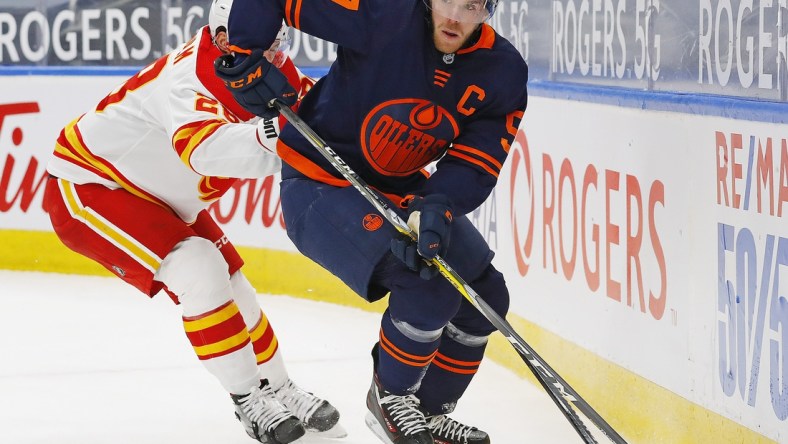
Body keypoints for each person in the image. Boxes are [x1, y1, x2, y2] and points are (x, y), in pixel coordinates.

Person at [215, 0, 528, 443]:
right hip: (318, 185)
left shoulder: (503, 71)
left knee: (485, 296)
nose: (456, 15)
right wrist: (246, 52)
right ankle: (392, 399)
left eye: (473, 5)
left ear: (490, 8)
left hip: (401, 193)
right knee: (426, 282)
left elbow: (477, 162)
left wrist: (438, 205)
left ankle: (429, 412)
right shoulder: (384, 14)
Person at [41, 1, 343, 443]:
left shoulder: (262, 60)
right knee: (200, 269)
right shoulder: (189, 80)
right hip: (90, 186)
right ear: (223, 40)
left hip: (161, 198)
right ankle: (248, 400)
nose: (278, 55)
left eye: (281, 43)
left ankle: (278, 387)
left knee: (234, 285)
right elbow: (203, 151)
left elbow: (316, 110)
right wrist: (278, 136)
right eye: (269, 44)